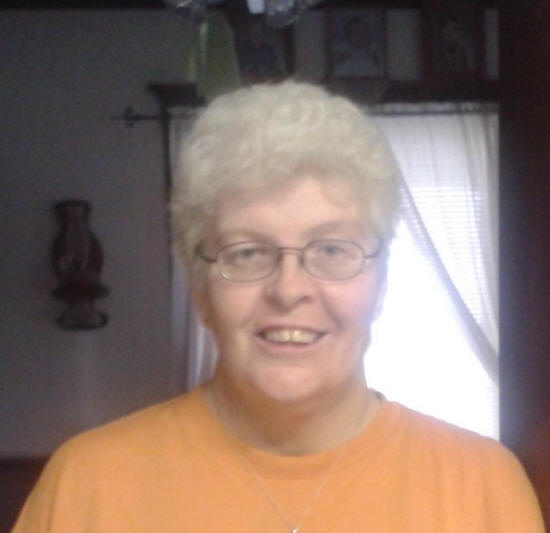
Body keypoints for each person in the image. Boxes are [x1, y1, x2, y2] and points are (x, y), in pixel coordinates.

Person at [12, 81, 544, 532]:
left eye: (331, 249)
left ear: (380, 282)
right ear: (199, 287)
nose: (289, 290)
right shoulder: (87, 486)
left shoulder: (483, 488)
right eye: (247, 253)